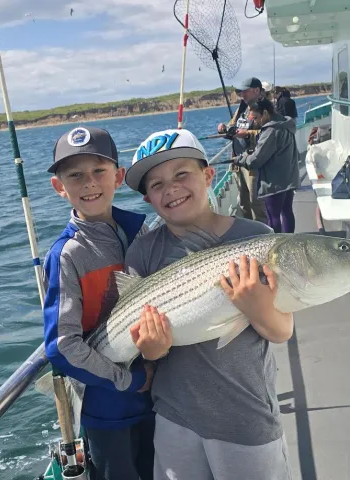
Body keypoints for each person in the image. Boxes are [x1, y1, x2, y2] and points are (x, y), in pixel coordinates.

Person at [122, 127, 294, 480]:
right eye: (156, 185)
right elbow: (145, 350)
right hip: (173, 417)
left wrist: (258, 309)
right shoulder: (142, 251)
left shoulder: (257, 238)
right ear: (147, 200)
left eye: (181, 173)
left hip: (245, 417)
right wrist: (151, 351)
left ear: (209, 174)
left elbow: (282, 330)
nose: (170, 188)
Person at [42, 126, 155, 480]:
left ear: (118, 177)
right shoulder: (66, 255)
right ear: (60, 187)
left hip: (160, 397)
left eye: (99, 171)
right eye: (75, 176)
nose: (89, 183)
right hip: (109, 409)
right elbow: (62, 345)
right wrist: (126, 379)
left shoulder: (142, 231)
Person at [234, 99, 300, 233]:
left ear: (265, 113)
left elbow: (256, 160)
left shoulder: (270, 131)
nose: (255, 122)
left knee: (272, 216)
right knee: (287, 211)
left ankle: (275, 247)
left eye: (256, 118)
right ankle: (289, 242)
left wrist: (240, 159)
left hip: (274, 182)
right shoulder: (286, 123)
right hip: (289, 177)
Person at [216, 77, 268, 224]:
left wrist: (246, 134)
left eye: (246, 91)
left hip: (253, 161)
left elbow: (269, 134)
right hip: (239, 161)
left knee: (256, 202)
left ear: (257, 90)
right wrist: (225, 129)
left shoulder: (265, 108)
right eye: (241, 92)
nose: (242, 95)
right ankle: (250, 231)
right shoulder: (242, 107)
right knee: (244, 201)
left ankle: (264, 234)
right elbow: (233, 124)